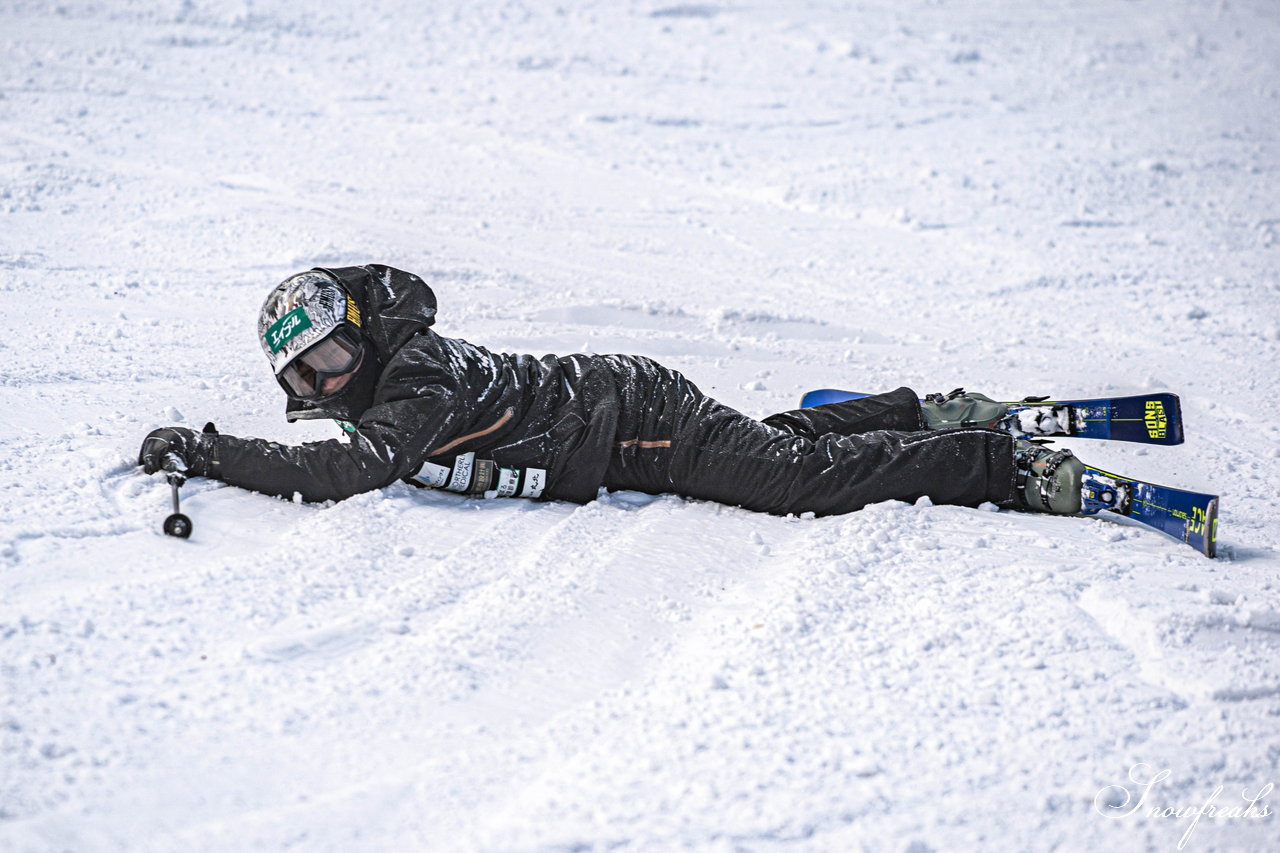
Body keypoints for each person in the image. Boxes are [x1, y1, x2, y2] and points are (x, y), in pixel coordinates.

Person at [137, 264, 1084, 516]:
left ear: (357, 334)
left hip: (640, 425)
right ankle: (920, 410)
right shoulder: (395, 379)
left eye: (330, 359)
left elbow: (356, 468)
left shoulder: (417, 373)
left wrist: (212, 453)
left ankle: (1001, 465)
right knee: (775, 446)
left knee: (799, 483)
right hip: (628, 413)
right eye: (303, 377)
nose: (323, 384)